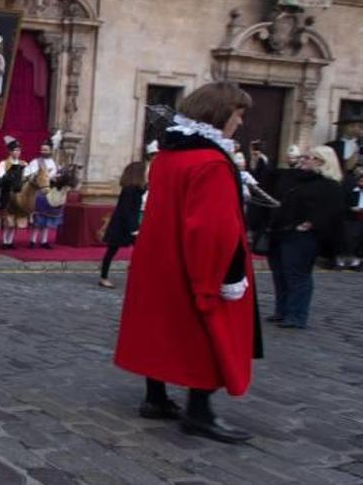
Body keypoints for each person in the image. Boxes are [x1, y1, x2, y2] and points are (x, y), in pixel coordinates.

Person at [114, 82, 260, 444]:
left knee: (160, 328)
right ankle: (199, 412)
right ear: (221, 113)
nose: (239, 124)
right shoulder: (211, 162)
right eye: (238, 115)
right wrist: (220, 278)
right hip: (193, 264)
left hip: (159, 259)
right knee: (207, 333)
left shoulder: (168, 156)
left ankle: (156, 397)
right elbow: (213, 229)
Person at [265, 146, 344, 329]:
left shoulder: (328, 185)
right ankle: (282, 310)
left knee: (297, 275)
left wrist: (311, 223)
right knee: (280, 273)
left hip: (303, 236)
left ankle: (297, 314)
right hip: (281, 231)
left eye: (308, 157)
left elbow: (331, 211)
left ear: (321, 162)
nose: (303, 160)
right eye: (303, 157)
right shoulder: (294, 178)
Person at [98, 161, 147, 289]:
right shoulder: (129, 190)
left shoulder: (137, 189)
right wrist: (134, 229)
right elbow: (126, 210)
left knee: (142, 251)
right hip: (122, 226)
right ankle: (103, 277)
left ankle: (139, 276)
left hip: (128, 225)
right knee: (112, 251)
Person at [0, 137, 27, 249]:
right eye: (15, 150)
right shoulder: (3, 163)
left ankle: (10, 241)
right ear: (10, 152)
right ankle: (4, 240)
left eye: (19, 150)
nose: (17, 153)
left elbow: (26, 178)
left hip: (19, 194)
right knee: (7, 218)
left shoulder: (24, 163)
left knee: (16, 217)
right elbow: (0, 177)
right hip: (7, 192)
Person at [340, 172, 363, 271]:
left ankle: (357, 262)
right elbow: (343, 204)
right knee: (349, 239)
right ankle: (344, 260)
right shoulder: (351, 191)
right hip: (352, 218)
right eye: (361, 180)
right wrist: (351, 208)